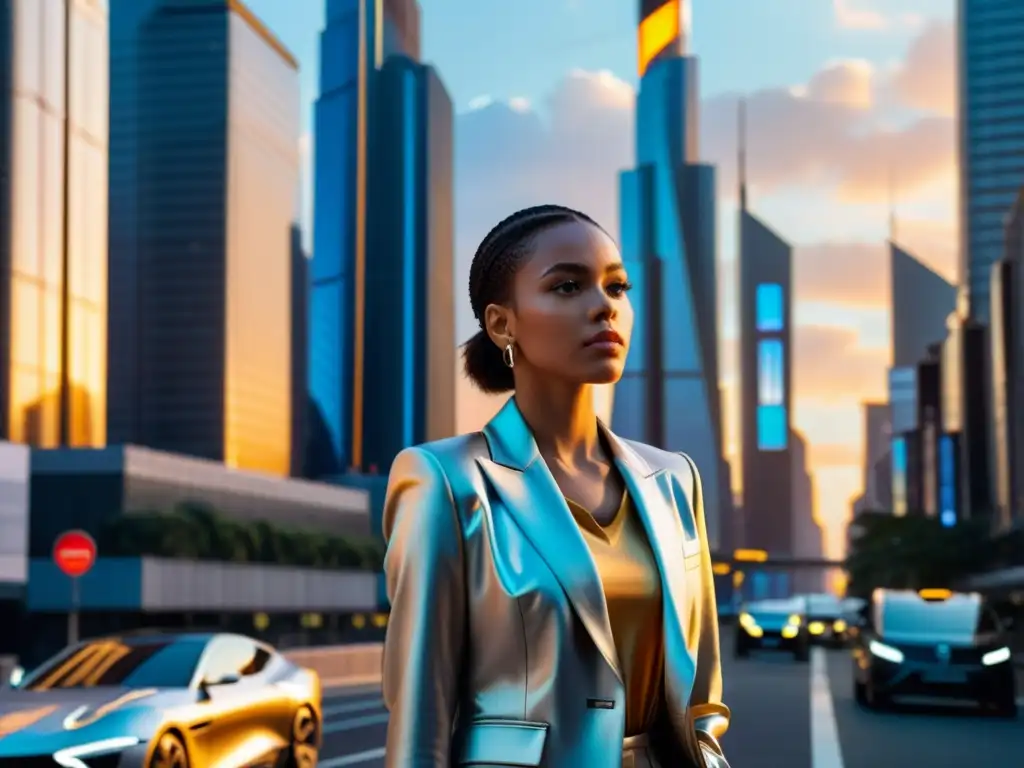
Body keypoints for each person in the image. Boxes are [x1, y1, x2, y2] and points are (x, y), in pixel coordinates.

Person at [381, 204, 730, 768]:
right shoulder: (444, 481)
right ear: (502, 324)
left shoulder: (673, 480)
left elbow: (701, 698)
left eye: (617, 287)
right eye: (568, 286)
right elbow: (421, 714)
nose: (604, 307)